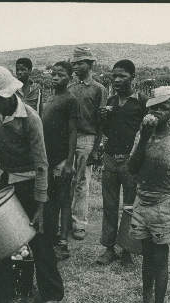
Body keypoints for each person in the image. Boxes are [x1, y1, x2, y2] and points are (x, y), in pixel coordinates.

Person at [0, 65, 64, 303]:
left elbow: (42, 164)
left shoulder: (30, 119)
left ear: (9, 96)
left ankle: (52, 297)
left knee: (40, 241)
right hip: (5, 182)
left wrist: (42, 206)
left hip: (31, 185)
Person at [127, 86, 170, 303]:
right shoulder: (142, 135)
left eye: (164, 108)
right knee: (146, 254)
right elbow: (132, 168)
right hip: (143, 201)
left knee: (160, 257)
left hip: (165, 204)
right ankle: (146, 299)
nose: (159, 112)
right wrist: (144, 136)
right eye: (154, 108)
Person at [97, 60, 148, 266]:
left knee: (130, 206)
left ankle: (127, 249)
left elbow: (146, 133)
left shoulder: (142, 102)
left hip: (131, 161)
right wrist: (103, 119)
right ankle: (109, 248)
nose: (117, 80)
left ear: (133, 77)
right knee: (109, 205)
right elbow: (108, 132)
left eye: (122, 76)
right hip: (110, 159)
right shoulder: (110, 101)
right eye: (114, 76)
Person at [68, 47, 108, 241]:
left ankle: (79, 223)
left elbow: (101, 122)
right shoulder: (70, 88)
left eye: (80, 62)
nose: (76, 66)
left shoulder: (99, 89)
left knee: (82, 182)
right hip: (69, 139)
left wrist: (96, 148)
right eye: (74, 63)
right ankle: (65, 220)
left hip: (87, 139)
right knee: (67, 180)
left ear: (90, 64)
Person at [41, 61, 79, 261]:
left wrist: (69, 162)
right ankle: (51, 238)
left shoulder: (70, 100)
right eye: (54, 74)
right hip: (47, 158)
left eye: (61, 75)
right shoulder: (50, 98)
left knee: (63, 200)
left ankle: (63, 243)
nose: (56, 77)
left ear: (70, 78)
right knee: (50, 200)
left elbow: (73, 131)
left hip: (61, 159)